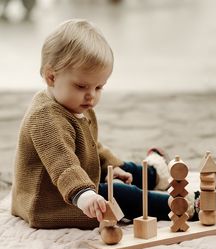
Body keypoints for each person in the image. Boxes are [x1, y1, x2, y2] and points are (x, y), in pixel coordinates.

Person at [11, 19, 200, 229]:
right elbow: (64, 166)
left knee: (123, 170)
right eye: (81, 86)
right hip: (51, 202)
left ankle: (154, 175)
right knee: (120, 195)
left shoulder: (76, 104)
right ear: (51, 77)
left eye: (99, 87)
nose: (91, 96)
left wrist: (112, 167)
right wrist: (84, 194)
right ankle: (181, 206)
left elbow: (92, 148)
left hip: (78, 181)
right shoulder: (45, 118)